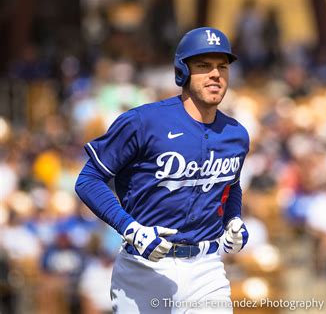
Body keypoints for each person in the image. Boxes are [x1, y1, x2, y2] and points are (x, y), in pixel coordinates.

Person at [75, 27, 250, 313]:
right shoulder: (143, 122)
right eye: (203, 66)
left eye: (222, 66)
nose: (215, 74)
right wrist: (129, 228)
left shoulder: (236, 134)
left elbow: (230, 185)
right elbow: (88, 179)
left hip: (207, 269)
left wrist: (233, 220)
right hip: (145, 270)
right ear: (182, 71)